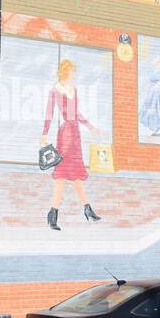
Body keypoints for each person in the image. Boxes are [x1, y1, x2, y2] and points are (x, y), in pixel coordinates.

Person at [40, 59, 102, 230]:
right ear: (66, 72)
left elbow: (77, 113)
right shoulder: (55, 91)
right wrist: (44, 133)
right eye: (72, 71)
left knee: (75, 175)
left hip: (75, 134)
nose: (74, 74)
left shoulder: (74, 90)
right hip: (65, 134)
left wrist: (91, 127)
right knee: (62, 174)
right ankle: (54, 213)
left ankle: (86, 209)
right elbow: (49, 114)